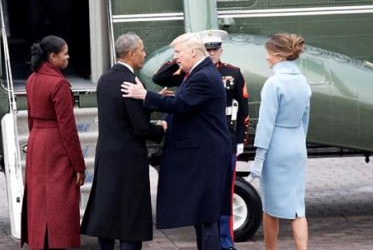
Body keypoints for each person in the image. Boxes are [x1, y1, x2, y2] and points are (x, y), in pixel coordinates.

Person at [121, 32, 232, 250]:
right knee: (203, 216)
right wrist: (178, 60)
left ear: (193, 52)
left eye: (178, 52)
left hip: (206, 156)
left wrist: (145, 96)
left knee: (207, 217)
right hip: (206, 153)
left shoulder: (202, 75)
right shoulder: (200, 71)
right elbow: (166, 81)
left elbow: (181, 104)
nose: (176, 57)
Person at [152, 30, 249, 250]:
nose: (212, 53)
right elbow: (161, 78)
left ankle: (226, 245)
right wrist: (177, 58)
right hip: (209, 146)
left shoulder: (221, 73)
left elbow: (240, 108)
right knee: (207, 214)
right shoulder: (194, 72)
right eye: (209, 49)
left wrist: (241, 139)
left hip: (214, 146)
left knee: (211, 214)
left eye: (215, 49)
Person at [80, 33, 165, 250]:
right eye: (142, 50)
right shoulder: (129, 82)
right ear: (131, 54)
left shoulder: (105, 79)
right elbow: (141, 127)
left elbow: (120, 111)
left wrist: (152, 99)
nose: (144, 54)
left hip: (107, 155)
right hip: (129, 158)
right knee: (131, 219)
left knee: (107, 212)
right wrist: (162, 128)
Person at [22, 35, 86, 249]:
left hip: (37, 141)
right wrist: (79, 165)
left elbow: (31, 117)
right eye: (65, 53)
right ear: (53, 57)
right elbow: (68, 129)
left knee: (39, 198)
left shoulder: (32, 79)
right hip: (56, 143)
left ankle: (41, 241)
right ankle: (55, 242)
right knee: (59, 201)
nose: (68, 57)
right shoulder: (59, 83)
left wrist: (35, 141)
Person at [250, 33, 311, 250]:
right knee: (297, 207)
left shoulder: (273, 84)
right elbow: (305, 119)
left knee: (271, 207)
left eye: (268, 54)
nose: (266, 58)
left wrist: (258, 160)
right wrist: (298, 144)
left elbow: (266, 125)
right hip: (296, 145)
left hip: (277, 148)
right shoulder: (303, 81)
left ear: (278, 56)